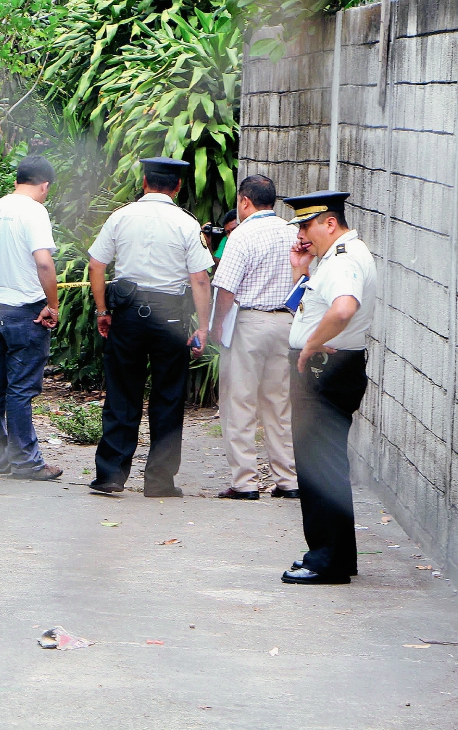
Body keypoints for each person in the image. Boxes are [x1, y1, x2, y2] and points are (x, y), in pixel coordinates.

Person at [87, 157, 213, 497]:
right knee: (168, 397)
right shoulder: (187, 224)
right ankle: (159, 480)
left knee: (122, 393)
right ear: (177, 187)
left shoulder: (120, 216)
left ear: (144, 182)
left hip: (126, 314)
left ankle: (111, 476)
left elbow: (96, 265)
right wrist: (203, 326)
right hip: (170, 318)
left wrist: (103, 310)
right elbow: (200, 279)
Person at [280, 190, 376, 585]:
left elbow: (342, 310)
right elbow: (309, 308)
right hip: (328, 369)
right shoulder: (331, 260)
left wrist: (313, 346)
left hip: (323, 370)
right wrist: (301, 271)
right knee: (324, 464)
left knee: (320, 467)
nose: (303, 234)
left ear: (330, 223)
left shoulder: (343, 260)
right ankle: (337, 555)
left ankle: (327, 561)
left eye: (307, 225)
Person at [0, 155, 63, 480]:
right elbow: (44, 263)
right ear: (44, 185)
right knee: (20, 390)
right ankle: (27, 463)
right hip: (25, 314)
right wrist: (53, 305)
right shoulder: (35, 211)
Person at [210, 175, 299, 500]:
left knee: (240, 401)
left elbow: (227, 288)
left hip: (248, 324)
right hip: (284, 323)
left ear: (245, 201)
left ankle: (245, 482)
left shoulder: (242, 235)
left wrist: (217, 325)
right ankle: (287, 480)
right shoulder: (291, 231)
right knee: (279, 403)